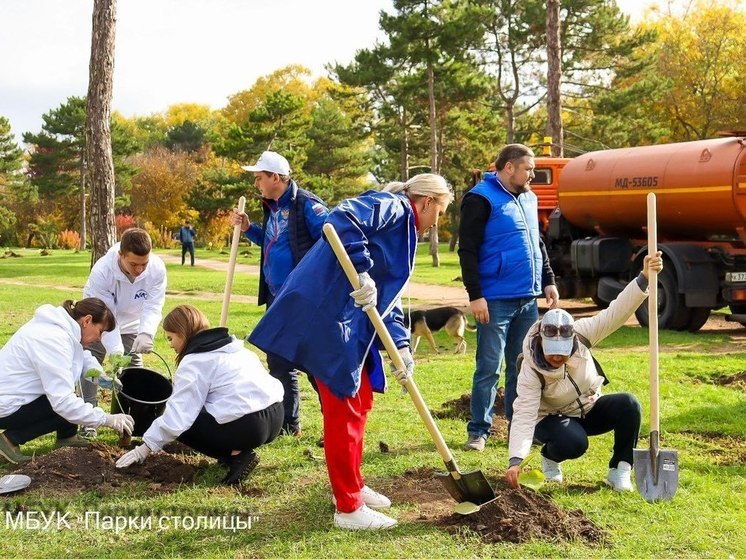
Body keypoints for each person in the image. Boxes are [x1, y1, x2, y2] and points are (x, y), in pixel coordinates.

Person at [249, 173, 454, 530]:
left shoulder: (404, 232)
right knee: (342, 406)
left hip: (348, 323)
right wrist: (361, 271)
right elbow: (342, 217)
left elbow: (386, 299)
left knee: (359, 400)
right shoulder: (393, 206)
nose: (436, 223)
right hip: (325, 318)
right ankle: (348, 508)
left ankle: (353, 485)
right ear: (427, 202)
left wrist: (401, 347)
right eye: (439, 213)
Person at [505, 252, 664, 492]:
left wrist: (643, 278)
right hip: (552, 419)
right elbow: (524, 414)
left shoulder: (581, 334)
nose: (558, 358)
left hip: (588, 407)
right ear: (541, 342)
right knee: (575, 443)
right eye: (552, 353)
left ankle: (620, 469)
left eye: (563, 352)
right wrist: (515, 460)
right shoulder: (530, 368)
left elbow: (616, 313)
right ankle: (551, 457)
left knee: (629, 405)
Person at [458, 143, 560, 452]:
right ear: (509, 168)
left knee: (523, 366)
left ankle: (520, 427)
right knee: (489, 367)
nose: (532, 174)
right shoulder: (480, 199)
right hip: (495, 300)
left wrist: (549, 280)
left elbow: (537, 243)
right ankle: (478, 431)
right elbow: (468, 249)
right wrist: (476, 296)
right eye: (528, 168)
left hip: (527, 299)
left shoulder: (529, 198)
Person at [115, 304, 284, 485]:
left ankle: (238, 456)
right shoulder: (233, 347)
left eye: (171, 338)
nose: (171, 344)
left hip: (250, 426)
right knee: (195, 414)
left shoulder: (195, 362)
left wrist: (145, 448)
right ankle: (232, 451)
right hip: (275, 416)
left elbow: (178, 416)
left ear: (183, 333)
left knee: (182, 424)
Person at [231, 150, 328, 437]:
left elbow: (333, 238)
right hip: (277, 297)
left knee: (312, 361)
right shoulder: (271, 206)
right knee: (279, 359)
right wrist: (249, 229)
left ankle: (333, 423)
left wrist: (313, 282)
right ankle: (289, 423)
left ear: (276, 177)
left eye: (260, 178)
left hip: (303, 298)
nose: (256, 184)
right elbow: (272, 242)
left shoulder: (307, 204)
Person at [0, 298, 135, 463]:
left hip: (14, 395)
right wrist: (106, 419)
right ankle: (9, 440)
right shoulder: (53, 340)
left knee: (70, 399)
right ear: (87, 321)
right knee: (65, 404)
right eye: (100, 331)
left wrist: (99, 375)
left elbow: (81, 355)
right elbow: (63, 403)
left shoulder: (62, 329)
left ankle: (67, 436)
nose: (99, 339)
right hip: (5, 404)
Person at [81, 227, 167, 437]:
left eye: (143, 264)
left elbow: (153, 305)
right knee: (90, 365)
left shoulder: (156, 269)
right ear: (121, 254)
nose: (139, 270)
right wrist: (117, 352)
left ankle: (131, 420)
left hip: (132, 324)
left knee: (133, 370)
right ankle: (88, 419)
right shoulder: (102, 271)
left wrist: (146, 333)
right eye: (133, 264)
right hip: (99, 322)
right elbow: (106, 316)